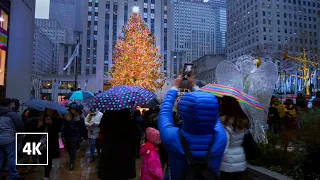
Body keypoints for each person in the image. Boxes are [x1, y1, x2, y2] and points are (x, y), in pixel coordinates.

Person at [159, 75, 227, 180]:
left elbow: (165, 112)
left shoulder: (172, 137)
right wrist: (194, 86)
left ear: (183, 114)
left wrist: (175, 87)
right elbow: (209, 110)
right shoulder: (221, 137)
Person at [98, 109, 137, 180]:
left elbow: (101, 127)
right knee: (123, 172)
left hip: (109, 147)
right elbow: (134, 133)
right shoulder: (128, 117)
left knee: (109, 171)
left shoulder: (107, 115)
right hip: (124, 149)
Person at [219, 96, 249, 180]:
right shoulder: (243, 120)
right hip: (240, 156)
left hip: (227, 161)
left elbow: (225, 143)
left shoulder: (224, 121)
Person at [0, 98, 24, 180]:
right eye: (13, 104)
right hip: (9, 139)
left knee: (0, 157)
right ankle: (13, 176)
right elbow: (20, 127)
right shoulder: (13, 114)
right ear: (10, 104)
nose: (14, 105)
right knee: (11, 158)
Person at [38, 108, 62, 180]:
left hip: (52, 142)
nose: (49, 112)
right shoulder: (42, 118)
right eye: (48, 111)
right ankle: (46, 171)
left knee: (49, 158)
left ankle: (46, 175)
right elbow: (39, 131)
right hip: (43, 142)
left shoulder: (57, 119)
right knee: (42, 159)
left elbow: (57, 131)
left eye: (51, 111)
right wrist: (40, 126)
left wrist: (51, 124)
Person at [63, 103, 85, 170]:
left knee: (73, 149)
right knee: (69, 149)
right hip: (67, 135)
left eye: (74, 109)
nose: (73, 110)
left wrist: (82, 136)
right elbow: (64, 126)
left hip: (75, 135)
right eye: (72, 109)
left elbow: (82, 127)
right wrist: (63, 134)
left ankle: (72, 161)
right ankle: (71, 158)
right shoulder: (66, 117)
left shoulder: (80, 118)